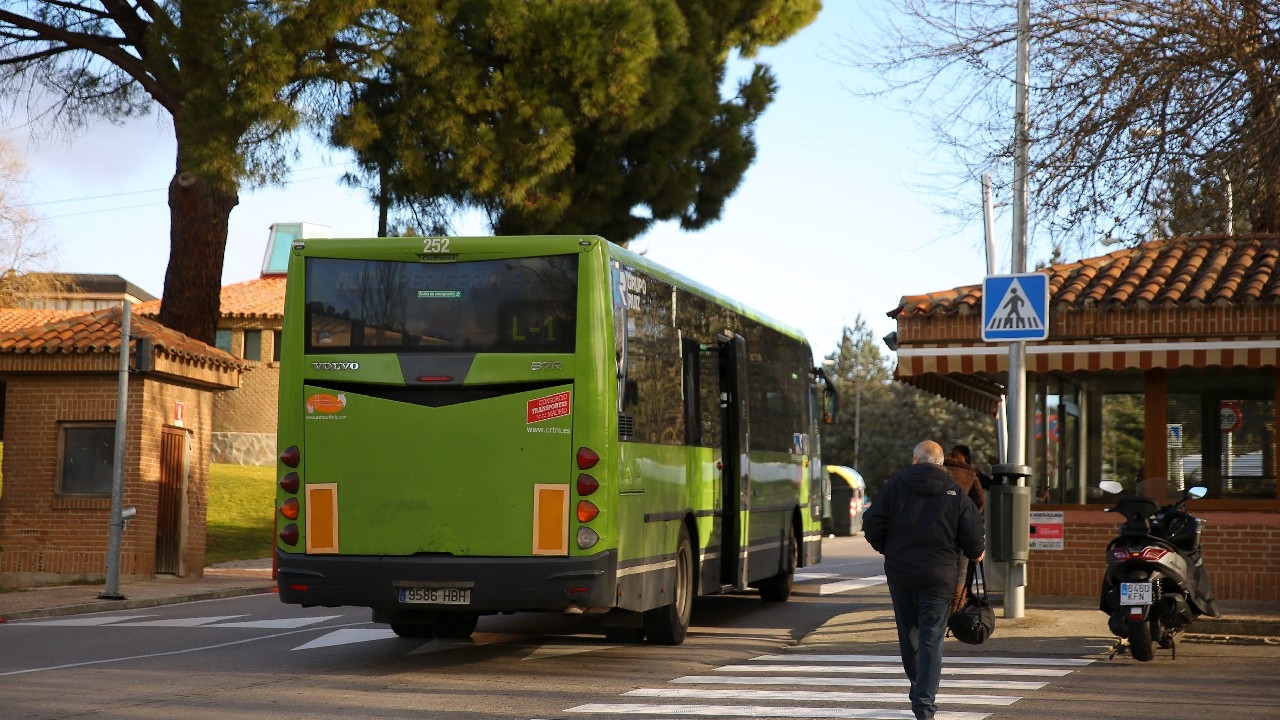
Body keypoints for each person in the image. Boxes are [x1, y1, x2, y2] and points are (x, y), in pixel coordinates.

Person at [864, 440, 986, 720]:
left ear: (915, 460)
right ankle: (924, 704)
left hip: (901, 573)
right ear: (941, 463)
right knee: (932, 639)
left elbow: (872, 523)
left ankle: (918, 688)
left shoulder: (894, 487)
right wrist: (976, 552)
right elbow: (972, 533)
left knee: (909, 636)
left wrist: (887, 548)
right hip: (939, 577)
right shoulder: (955, 492)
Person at [944, 445, 987, 613]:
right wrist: (969, 515)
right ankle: (955, 612)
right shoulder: (969, 474)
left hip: (938, 529)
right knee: (961, 573)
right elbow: (980, 500)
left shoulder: (938, 471)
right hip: (961, 528)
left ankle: (938, 611)